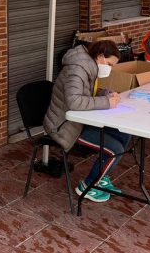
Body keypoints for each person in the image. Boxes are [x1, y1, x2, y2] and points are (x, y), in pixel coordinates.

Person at [43, 40, 130, 203]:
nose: (110, 69)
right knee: (113, 149)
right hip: (64, 126)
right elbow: (74, 101)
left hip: (78, 121)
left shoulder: (88, 65)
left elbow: (86, 93)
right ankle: (88, 186)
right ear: (100, 57)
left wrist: (106, 94)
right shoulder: (77, 69)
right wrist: (106, 102)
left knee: (124, 134)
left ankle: (101, 177)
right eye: (110, 64)